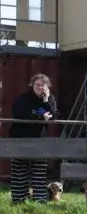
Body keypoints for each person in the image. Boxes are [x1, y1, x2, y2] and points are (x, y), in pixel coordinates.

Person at [10, 73, 58, 204]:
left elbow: (53, 116)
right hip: (21, 138)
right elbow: (20, 113)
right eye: (37, 85)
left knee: (39, 171)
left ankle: (40, 200)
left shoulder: (50, 99)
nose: (40, 87)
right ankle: (19, 199)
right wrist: (41, 117)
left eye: (43, 85)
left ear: (47, 87)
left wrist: (46, 101)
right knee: (19, 171)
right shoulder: (24, 98)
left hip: (39, 139)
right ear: (32, 85)